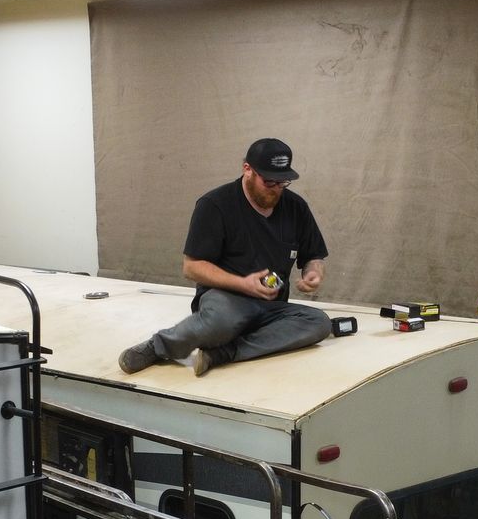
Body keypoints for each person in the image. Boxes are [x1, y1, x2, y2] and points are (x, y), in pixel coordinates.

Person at [118, 138, 331, 377]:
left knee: (319, 323)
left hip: (272, 305)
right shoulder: (215, 205)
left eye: (282, 182)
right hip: (227, 301)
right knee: (220, 322)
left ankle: (223, 353)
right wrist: (243, 284)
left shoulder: (296, 207)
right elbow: (192, 267)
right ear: (247, 169)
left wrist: (313, 273)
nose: (276, 189)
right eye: (269, 181)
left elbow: (314, 256)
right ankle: (159, 346)